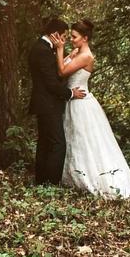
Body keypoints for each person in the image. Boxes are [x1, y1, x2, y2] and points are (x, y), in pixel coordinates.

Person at [55, 19, 130, 198]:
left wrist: (60, 49)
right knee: (73, 138)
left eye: (75, 37)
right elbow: (60, 67)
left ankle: (92, 178)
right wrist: (67, 53)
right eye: (70, 36)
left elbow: (62, 72)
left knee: (85, 140)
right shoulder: (77, 52)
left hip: (81, 102)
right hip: (72, 99)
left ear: (85, 38)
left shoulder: (86, 56)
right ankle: (71, 176)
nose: (71, 39)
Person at [27, 17, 86, 184]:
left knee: (45, 143)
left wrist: (66, 57)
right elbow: (52, 83)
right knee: (58, 144)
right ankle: (51, 184)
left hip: (45, 103)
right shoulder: (42, 50)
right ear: (55, 35)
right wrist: (71, 93)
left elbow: (53, 71)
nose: (65, 39)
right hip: (47, 104)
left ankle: (42, 182)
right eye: (64, 36)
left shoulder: (44, 48)